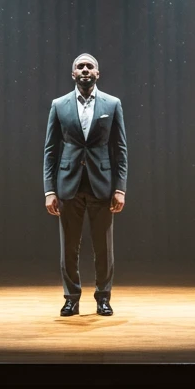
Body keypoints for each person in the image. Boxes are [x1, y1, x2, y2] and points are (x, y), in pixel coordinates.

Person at [43, 53, 128, 316]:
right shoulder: (59, 105)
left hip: (101, 185)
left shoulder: (112, 104)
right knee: (69, 246)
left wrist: (120, 187)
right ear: (73, 74)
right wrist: (49, 190)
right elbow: (50, 150)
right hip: (68, 185)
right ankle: (71, 298)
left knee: (103, 246)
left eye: (90, 66)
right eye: (80, 66)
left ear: (97, 73)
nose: (85, 70)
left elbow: (120, 149)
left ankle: (103, 297)